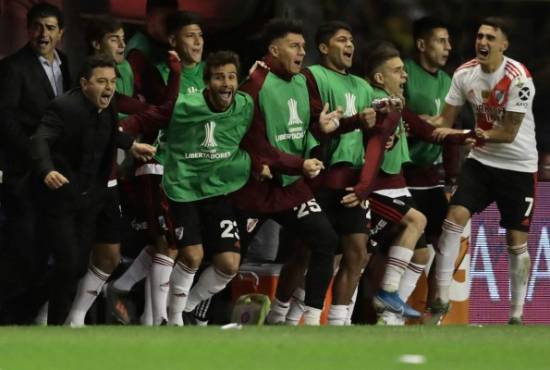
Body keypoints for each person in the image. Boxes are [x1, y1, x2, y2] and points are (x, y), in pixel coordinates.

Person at [64, 18, 182, 327]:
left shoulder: (117, 102)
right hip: (75, 188)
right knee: (70, 260)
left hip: (111, 185)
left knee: (110, 255)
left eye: (112, 81)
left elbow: (161, 112)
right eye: (114, 38)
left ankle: (75, 319)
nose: (121, 44)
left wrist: (176, 71)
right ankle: (41, 314)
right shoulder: (70, 105)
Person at [29, 54, 156, 324]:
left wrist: (131, 145)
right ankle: (51, 325)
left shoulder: (107, 106)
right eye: (101, 81)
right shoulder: (63, 107)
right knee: (68, 262)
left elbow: (111, 132)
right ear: (85, 83)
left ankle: (53, 319)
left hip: (91, 199)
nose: (109, 88)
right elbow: (40, 140)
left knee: (76, 267)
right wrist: (47, 171)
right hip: (60, 198)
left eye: (112, 81)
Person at [232, 18, 343, 325]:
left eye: (303, 47)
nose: (301, 53)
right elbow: (254, 143)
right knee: (228, 261)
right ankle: (196, 317)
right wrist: (298, 164)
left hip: (291, 186)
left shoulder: (302, 81)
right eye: (294, 46)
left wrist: (320, 129)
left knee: (325, 240)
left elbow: (308, 126)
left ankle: (310, 316)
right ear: (274, 49)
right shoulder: (253, 84)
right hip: (255, 187)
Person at [428, 17, 537, 325]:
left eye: (491, 37)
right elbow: (444, 121)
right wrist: (411, 120)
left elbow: (508, 132)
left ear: (504, 45)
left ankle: (516, 315)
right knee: (454, 218)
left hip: (518, 166)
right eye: (479, 36)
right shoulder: (464, 74)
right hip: (482, 162)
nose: (483, 42)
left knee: (516, 241)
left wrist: (474, 134)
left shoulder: (519, 78)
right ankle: (441, 298)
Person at [360, 41, 474, 323]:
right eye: (398, 71)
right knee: (413, 224)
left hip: (397, 185)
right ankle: (384, 298)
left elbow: (428, 131)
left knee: (421, 256)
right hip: (377, 187)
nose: (405, 76)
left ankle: (391, 316)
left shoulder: (398, 106)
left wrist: (465, 136)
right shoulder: (377, 102)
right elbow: (373, 130)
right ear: (379, 78)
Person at [279, 21, 378, 326]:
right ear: (323, 48)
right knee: (305, 253)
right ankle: (278, 315)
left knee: (357, 253)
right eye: (341, 40)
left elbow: (373, 136)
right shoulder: (312, 76)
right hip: (320, 177)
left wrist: (385, 136)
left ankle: (337, 322)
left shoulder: (364, 86)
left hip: (352, 182)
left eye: (351, 40)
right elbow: (310, 124)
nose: (350, 46)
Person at [153, 50, 258, 325]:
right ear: (206, 82)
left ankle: (185, 305)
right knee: (192, 255)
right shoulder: (186, 105)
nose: (226, 83)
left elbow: (257, 140)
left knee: (229, 265)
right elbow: (155, 116)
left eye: (232, 77)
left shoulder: (245, 104)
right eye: (219, 77)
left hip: (218, 191)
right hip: (183, 189)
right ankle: (173, 320)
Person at [0, 2, 71, 324]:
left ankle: (33, 319)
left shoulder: (68, 64)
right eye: (38, 27)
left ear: (60, 33)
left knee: (53, 253)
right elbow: (5, 120)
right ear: (28, 29)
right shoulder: (12, 67)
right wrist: (36, 153)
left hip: (59, 176)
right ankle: (10, 321)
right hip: (25, 175)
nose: (43, 34)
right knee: (23, 251)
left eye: (50, 28)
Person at [401, 16, 454, 314]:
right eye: (441, 41)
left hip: (432, 178)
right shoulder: (404, 72)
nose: (448, 47)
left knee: (444, 243)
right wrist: (429, 125)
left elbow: (447, 129)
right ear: (422, 44)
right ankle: (380, 312)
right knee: (403, 250)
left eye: (448, 41)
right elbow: (401, 120)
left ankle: (436, 310)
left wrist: (452, 174)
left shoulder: (448, 81)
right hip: (403, 175)